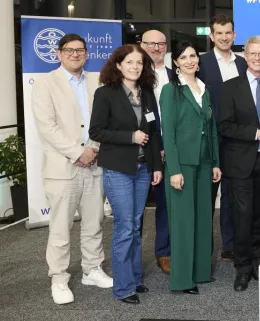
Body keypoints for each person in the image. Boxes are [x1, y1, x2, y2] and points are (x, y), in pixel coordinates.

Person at [32, 33, 113, 305]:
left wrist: (93, 149)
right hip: (63, 167)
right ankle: (59, 278)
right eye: (69, 50)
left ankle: (92, 269)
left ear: (87, 53)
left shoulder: (97, 80)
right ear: (58, 54)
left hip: (95, 163)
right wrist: (79, 152)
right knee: (61, 228)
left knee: (94, 223)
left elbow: (106, 119)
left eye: (80, 50)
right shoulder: (45, 83)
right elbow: (47, 126)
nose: (75, 54)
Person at [89, 44, 164, 304]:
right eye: (129, 62)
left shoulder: (146, 95)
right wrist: (129, 137)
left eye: (139, 63)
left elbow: (154, 134)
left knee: (135, 225)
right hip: (119, 170)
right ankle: (123, 288)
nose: (135, 67)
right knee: (124, 228)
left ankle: (134, 278)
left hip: (144, 169)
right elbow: (96, 132)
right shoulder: (105, 94)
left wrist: (156, 166)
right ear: (118, 65)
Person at [217, 35, 260, 292]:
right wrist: (255, 133)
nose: (257, 58)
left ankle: (256, 262)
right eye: (253, 53)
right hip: (240, 164)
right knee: (242, 217)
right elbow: (224, 125)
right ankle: (242, 268)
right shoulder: (230, 87)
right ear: (245, 55)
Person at [160, 41, 221, 295]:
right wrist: (174, 170)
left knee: (203, 219)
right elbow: (169, 134)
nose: (189, 61)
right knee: (183, 222)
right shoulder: (170, 90)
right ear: (175, 62)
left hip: (205, 162)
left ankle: (200, 273)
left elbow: (212, 129)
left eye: (193, 56)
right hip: (182, 165)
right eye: (183, 57)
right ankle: (183, 280)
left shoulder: (204, 89)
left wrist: (216, 162)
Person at [197, 13, 247, 261]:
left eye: (228, 32)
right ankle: (203, 247)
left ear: (234, 35)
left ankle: (229, 245)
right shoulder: (201, 63)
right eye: (219, 33)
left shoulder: (243, 64)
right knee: (206, 196)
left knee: (231, 196)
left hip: (237, 142)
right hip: (210, 141)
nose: (224, 37)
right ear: (212, 36)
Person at [139, 29, 175, 274]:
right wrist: (155, 146)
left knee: (166, 205)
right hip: (141, 150)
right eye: (150, 43)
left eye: (160, 43)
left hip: (171, 150)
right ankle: (133, 260)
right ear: (141, 45)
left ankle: (164, 252)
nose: (155, 47)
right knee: (136, 209)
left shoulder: (177, 75)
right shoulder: (133, 75)